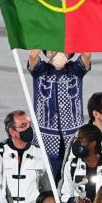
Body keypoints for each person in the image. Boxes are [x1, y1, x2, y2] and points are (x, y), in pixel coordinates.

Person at [27, 49, 92, 181]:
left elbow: (86, 54)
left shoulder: (76, 70)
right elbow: (33, 54)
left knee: (72, 183)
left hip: (73, 139)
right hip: (45, 141)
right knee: (47, 185)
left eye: (62, 51)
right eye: (52, 51)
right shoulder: (40, 71)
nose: (57, 54)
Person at [0, 110, 51, 203]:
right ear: (12, 132)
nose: (29, 129)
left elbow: (47, 190)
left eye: (29, 125)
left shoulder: (40, 154)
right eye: (23, 126)